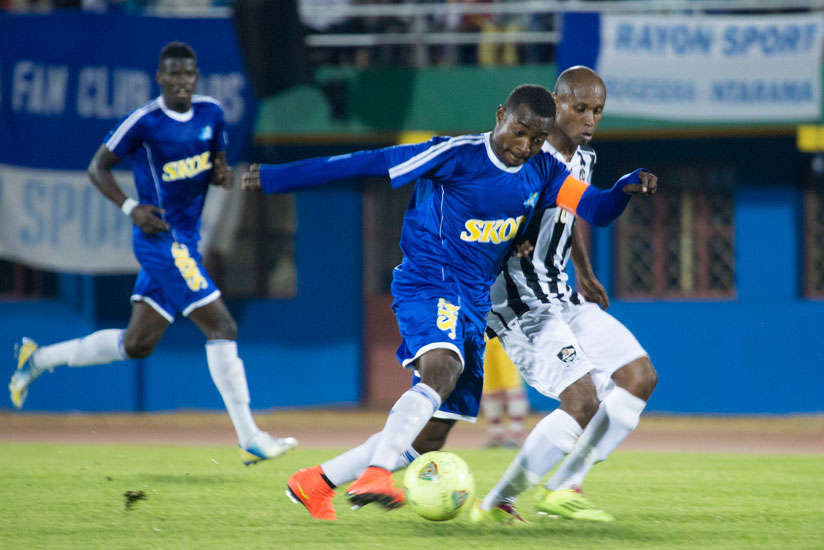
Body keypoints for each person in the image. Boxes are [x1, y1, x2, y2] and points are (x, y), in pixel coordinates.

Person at [242, 83, 656, 520]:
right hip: (430, 283)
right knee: (442, 370)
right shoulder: (456, 155)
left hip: (474, 304)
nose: (525, 147)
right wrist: (277, 177)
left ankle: (315, 481)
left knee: (431, 435)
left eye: (536, 140)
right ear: (500, 115)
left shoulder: (545, 171)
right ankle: (378, 473)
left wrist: (623, 189)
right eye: (519, 133)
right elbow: (367, 163)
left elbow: (594, 208)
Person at [8, 41, 297, 466]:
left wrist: (221, 174)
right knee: (222, 325)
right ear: (160, 78)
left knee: (136, 344)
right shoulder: (145, 121)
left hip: (186, 242)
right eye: (173, 75)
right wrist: (130, 207)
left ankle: (38, 359)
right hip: (160, 238)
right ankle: (250, 436)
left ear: (196, 78)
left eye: (188, 75)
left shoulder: (211, 113)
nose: (181, 82)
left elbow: (215, 165)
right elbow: (96, 168)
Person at [470, 65, 658, 524]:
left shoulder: (583, 160)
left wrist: (584, 270)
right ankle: (497, 503)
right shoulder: (522, 153)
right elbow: (481, 209)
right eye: (581, 108)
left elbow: (570, 211)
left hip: (562, 294)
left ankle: (564, 486)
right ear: (556, 105)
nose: (590, 118)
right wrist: (509, 234)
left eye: (598, 110)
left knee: (639, 376)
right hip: (518, 302)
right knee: (582, 398)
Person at [481, 336, 528, 448]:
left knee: (513, 387)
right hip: (482, 337)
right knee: (489, 389)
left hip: (504, 334)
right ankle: (496, 436)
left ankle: (516, 436)